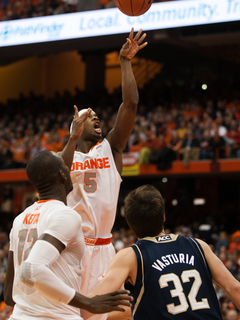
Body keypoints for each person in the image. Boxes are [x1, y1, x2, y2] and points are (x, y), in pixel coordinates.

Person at [60, 28, 147, 320]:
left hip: (104, 248)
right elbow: (56, 172)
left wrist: (124, 62)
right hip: (72, 249)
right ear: (74, 126)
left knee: (117, 315)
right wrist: (72, 139)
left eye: (97, 115)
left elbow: (130, 104)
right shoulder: (65, 157)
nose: (96, 117)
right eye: (88, 116)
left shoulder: (109, 150)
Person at [3, 150, 132, 320]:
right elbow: (31, 270)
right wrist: (89, 303)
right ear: (62, 175)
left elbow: (9, 296)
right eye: (66, 166)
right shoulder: (65, 215)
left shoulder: (20, 219)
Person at [89, 184, 240, 320]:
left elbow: (90, 305)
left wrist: (69, 298)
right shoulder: (199, 245)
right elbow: (234, 288)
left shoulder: (130, 256)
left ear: (130, 223)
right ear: (164, 217)